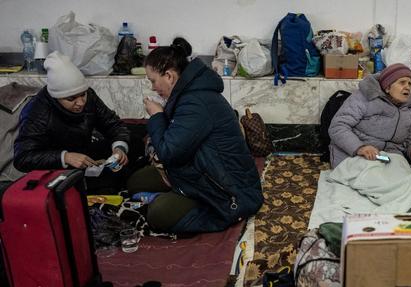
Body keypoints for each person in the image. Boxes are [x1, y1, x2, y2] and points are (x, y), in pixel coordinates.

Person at [128, 37, 263, 233]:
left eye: (153, 80)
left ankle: (195, 205)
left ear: (169, 76)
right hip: (199, 171)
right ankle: (177, 192)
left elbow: (168, 151)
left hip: (229, 192)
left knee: (158, 213)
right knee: (136, 182)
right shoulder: (187, 96)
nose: (152, 87)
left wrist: (156, 116)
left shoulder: (195, 103)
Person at [13, 51, 130, 192]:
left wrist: (119, 148)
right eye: (71, 99)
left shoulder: (88, 96)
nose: (80, 103)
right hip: (56, 172)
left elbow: (113, 124)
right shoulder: (37, 113)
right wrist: (65, 157)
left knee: (133, 142)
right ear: (57, 97)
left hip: (85, 154)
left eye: (83, 95)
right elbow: (22, 158)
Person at [328, 63, 411, 169]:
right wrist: (360, 148)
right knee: (373, 179)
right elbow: (338, 126)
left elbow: (408, 140)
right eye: (402, 83)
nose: (407, 87)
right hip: (354, 154)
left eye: (409, 83)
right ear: (387, 88)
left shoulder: (410, 108)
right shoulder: (364, 98)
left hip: (388, 158)